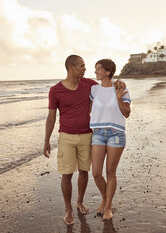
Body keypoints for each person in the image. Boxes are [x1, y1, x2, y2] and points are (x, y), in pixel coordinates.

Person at [43, 55, 125, 225]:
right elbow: (51, 117)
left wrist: (120, 83)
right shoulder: (55, 90)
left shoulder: (89, 84)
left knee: (85, 172)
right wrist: (46, 141)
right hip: (66, 136)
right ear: (71, 67)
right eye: (82, 66)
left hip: (88, 135)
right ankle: (68, 210)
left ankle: (80, 202)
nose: (85, 69)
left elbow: (107, 84)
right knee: (66, 174)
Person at [89, 59, 131, 220]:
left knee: (110, 172)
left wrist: (119, 98)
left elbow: (126, 113)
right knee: (97, 173)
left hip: (116, 133)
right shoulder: (93, 89)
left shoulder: (120, 87)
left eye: (98, 69)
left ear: (108, 72)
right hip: (98, 132)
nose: (96, 72)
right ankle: (106, 198)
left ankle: (108, 207)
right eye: (95, 69)